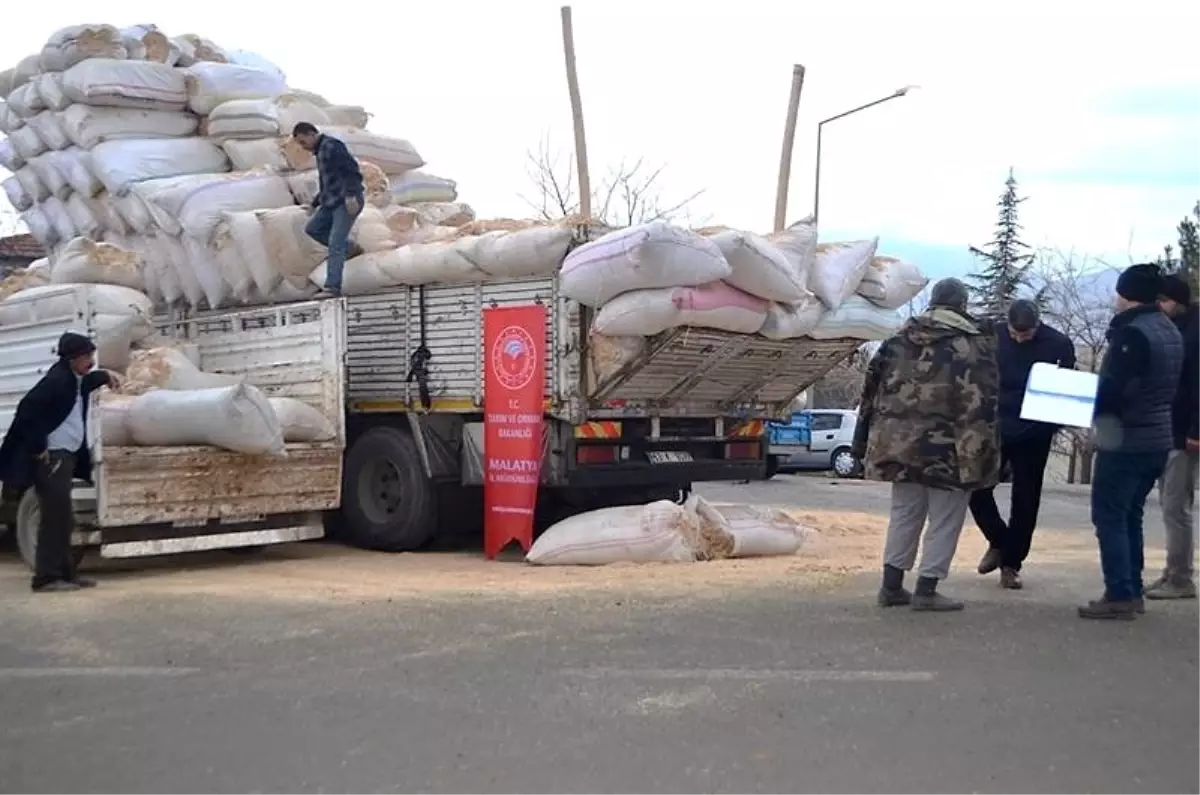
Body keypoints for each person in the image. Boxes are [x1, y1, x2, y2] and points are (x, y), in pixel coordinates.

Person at [852, 278, 1001, 611]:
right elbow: (985, 404)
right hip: (951, 450)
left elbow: (869, 395)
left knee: (904, 514)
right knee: (945, 519)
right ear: (962, 305)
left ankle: (891, 586)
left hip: (898, 447)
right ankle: (926, 590)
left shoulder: (895, 341)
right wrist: (987, 458)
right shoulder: (973, 347)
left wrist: (861, 444)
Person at [1081, 264, 1183, 619]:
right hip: (1159, 435)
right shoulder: (1169, 329)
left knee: (1110, 516)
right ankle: (1131, 587)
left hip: (1127, 438)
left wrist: (1090, 410)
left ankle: (1120, 592)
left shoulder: (1133, 335)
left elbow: (1116, 390)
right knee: (1130, 515)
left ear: (1127, 294)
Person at [970, 299, 1075, 589]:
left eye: (1025, 335)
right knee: (976, 487)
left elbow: (1065, 390)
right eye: (1015, 333)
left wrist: (1051, 426)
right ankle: (999, 539)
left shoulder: (1059, 344)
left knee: (1026, 499)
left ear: (1037, 326)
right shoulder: (993, 336)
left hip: (1034, 432)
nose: (1019, 339)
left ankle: (1011, 563)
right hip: (994, 426)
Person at [0, 333, 117, 593]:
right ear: (72, 358)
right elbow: (28, 409)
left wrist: (103, 377)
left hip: (66, 456)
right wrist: (39, 446)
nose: (91, 361)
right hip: (53, 458)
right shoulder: (57, 381)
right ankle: (45, 578)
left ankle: (66, 574)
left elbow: (84, 385)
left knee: (64, 518)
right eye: (87, 357)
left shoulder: (73, 379)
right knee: (54, 518)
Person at [1147, 274, 1200, 600]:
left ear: (1178, 302)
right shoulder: (1178, 330)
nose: (1160, 307)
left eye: (1164, 301)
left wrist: (1196, 429)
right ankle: (1172, 570)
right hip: (1171, 427)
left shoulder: (1194, 334)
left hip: (1185, 432)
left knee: (1175, 506)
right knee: (1171, 502)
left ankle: (1181, 576)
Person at [291, 122, 365, 298]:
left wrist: (350, 195)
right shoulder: (321, 152)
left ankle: (332, 287)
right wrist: (315, 203)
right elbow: (328, 183)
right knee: (312, 229)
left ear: (311, 134)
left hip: (346, 200)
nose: (304, 147)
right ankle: (351, 248)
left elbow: (352, 171)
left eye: (303, 142)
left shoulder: (332, 146)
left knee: (335, 242)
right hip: (331, 202)